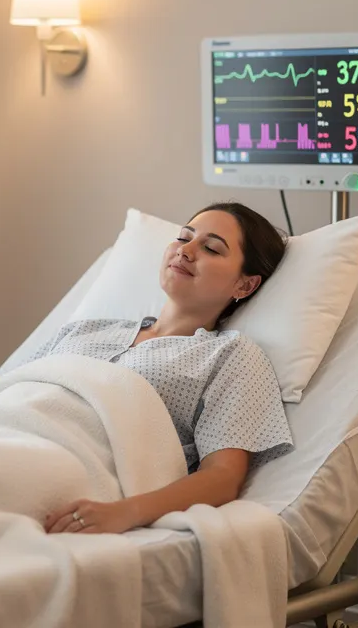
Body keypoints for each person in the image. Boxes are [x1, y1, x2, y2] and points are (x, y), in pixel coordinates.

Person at [32, 202, 294, 536]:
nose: (186, 251)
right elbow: (4, 394)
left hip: (68, 471)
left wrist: (125, 512)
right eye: (184, 237)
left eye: (211, 248)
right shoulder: (85, 329)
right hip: (1, 437)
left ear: (244, 286)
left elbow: (223, 477)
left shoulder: (229, 355)